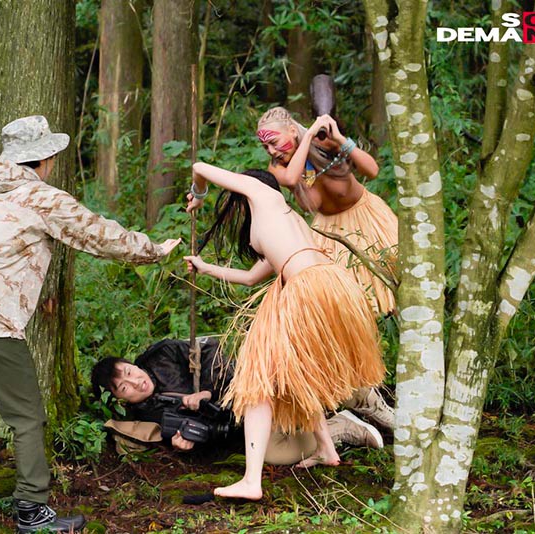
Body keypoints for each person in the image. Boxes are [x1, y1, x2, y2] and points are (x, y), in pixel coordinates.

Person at [0, 116, 181, 533]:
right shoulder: (40, 197)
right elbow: (98, 234)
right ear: (43, 159)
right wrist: (153, 250)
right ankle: (32, 510)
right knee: (27, 418)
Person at [182, 162, 386, 500]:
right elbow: (251, 278)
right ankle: (326, 448)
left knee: (258, 379)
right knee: (297, 372)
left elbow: (199, 166)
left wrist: (199, 194)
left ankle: (251, 481)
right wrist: (205, 269)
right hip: (328, 286)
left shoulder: (264, 195)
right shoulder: (282, 222)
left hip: (308, 289)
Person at [90, 338, 383, 460]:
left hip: (248, 389)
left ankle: (369, 402)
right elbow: (198, 438)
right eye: (125, 387)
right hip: (240, 429)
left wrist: (208, 391)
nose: (135, 381)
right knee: (274, 454)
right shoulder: (143, 418)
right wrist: (184, 448)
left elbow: (212, 350)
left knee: (303, 382)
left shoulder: (162, 354)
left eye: (129, 371)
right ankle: (340, 428)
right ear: (121, 399)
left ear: (132, 363)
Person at [256, 106, 398, 315]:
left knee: (391, 282)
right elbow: (292, 179)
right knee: (343, 299)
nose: (271, 151)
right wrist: (308, 136)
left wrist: (339, 139)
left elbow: (373, 171)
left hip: (366, 218)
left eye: (274, 142)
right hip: (328, 233)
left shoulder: (325, 144)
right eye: (265, 146)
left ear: (292, 131)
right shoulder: (278, 168)